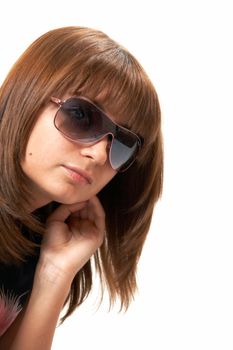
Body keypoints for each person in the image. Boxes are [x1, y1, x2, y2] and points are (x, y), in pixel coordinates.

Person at [0, 26, 163, 349]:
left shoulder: (37, 240)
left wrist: (55, 271)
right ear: (27, 95)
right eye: (80, 115)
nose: (99, 153)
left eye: (121, 144)